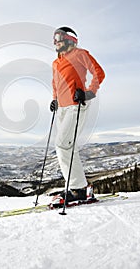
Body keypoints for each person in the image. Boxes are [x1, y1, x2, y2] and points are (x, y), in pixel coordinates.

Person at [50, 26, 105, 204]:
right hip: (63, 109)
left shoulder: (80, 54)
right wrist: (55, 99)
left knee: (62, 145)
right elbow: (55, 84)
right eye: (54, 38)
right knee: (69, 146)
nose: (55, 41)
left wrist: (89, 92)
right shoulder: (56, 62)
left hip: (76, 106)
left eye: (58, 37)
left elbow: (98, 72)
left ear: (70, 40)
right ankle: (79, 188)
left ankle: (78, 189)